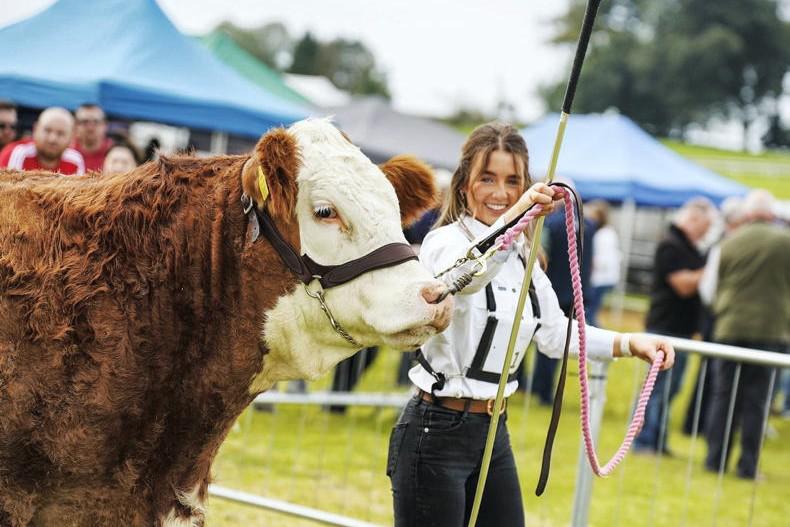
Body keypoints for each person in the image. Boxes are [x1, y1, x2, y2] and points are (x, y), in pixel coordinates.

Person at [387, 122, 675, 527]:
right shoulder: (445, 242)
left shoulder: (525, 258)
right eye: (487, 178)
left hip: (492, 432)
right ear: (465, 184)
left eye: (512, 181)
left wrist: (630, 342)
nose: (501, 193)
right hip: (435, 432)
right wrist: (517, 216)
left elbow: (557, 335)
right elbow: (466, 277)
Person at [702, 190, 790, 479]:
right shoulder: (785, 243)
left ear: (747, 214)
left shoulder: (727, 243)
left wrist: (724, 310)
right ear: (772, 214)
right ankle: (748, 467)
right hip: (772, 331)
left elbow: (708, 290)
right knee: (758, 399)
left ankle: (715, 460)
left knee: (723, 395)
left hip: (729, 328)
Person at [634, 197, 714, 455]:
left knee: (670, 389)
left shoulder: (688, 247)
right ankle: (644, 440)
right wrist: (712, 268)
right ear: (693, 220)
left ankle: (657, 440)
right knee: (656, 389)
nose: (706, 233)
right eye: (705, 227)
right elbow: (683, 285)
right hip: (664, 328)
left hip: (680, 329)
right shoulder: (671, 245)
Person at [530, 191, 596, 405]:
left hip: (553, 288)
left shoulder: (552, 223)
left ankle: (540, 389)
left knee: (549, 339)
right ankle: (545, 390)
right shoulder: (589, 226)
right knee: (561, 341)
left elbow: (542, 254)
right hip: (575, 292)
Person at [0, 106, 84, 175]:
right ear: (35, 129)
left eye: (61, 133)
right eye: (47, 130)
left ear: (71, 137)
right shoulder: (17, 154)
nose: (52, 139)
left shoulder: (75, 161)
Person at [586, 200, 621, 327]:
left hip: (601, 278)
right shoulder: (605, 232)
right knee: (590, 312)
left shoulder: (604, 234)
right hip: (603, 278)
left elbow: (600, 260)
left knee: (589, 313)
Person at [72, 103, 113, 172]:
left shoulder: (114, 151)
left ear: (105, 125)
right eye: (85, 122)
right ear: (76, 126)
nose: (90, 127)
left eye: (96, 122)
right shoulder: (67, 151)